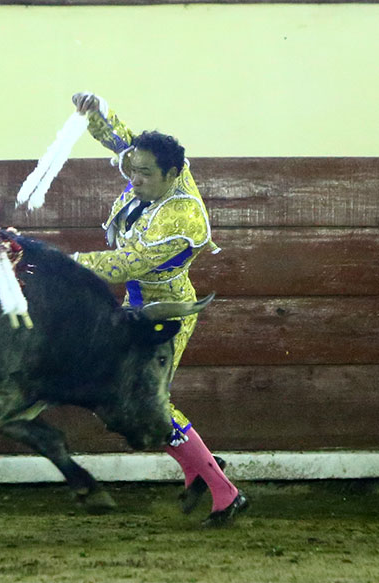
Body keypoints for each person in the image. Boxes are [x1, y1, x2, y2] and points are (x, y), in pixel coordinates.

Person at [70, 92, 248, 526]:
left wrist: (67, 264)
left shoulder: (183, 216)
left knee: (149, 404)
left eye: (145, 175)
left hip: (165, 314)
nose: (134, 180)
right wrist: (97, 112)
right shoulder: (154, 174)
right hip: (135, 306)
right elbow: (123, 143)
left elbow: (129, 262)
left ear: (172, 173)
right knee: (134, 399)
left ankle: (225, 492)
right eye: (134, 172)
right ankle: (198, 470)